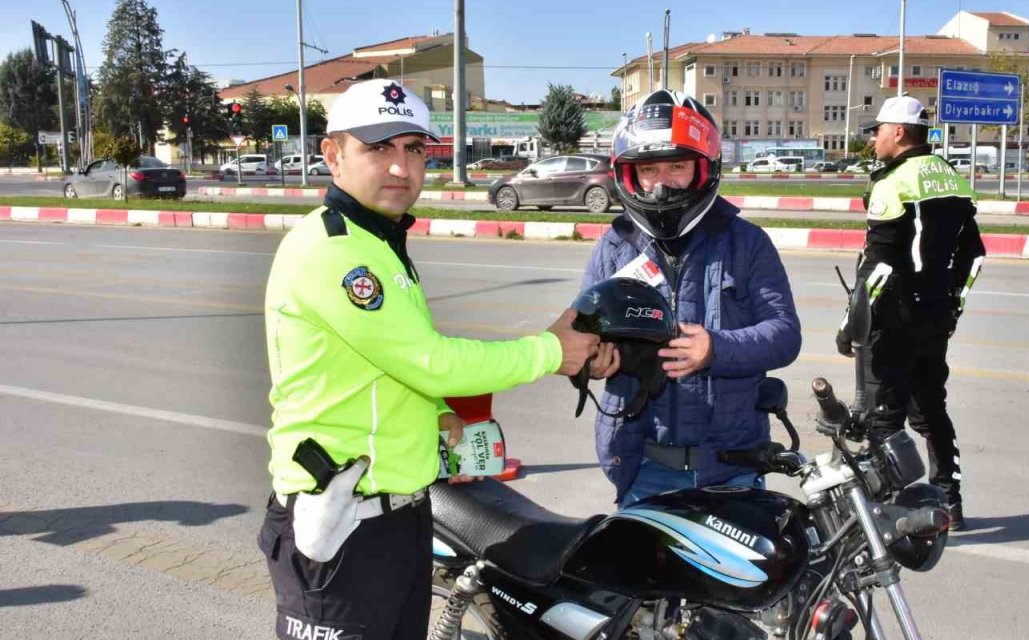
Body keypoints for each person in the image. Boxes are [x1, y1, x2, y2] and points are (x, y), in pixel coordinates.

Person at [257, 79, 599, 640]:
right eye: (379, 147)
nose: (400, 167)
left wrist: (437, 413)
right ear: (332, 154)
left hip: (397, 517)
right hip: (341, 524)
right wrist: (551, 352)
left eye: (413, 149)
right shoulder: (335, 251)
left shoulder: (378, 241)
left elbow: (382, 366)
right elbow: (429, 360)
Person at [580, 89, 802, 507]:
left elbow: (785, 333)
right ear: (629, 174)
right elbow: (582, 335)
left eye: (677, 166)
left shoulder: (747, 242)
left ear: (704, 168)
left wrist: (716, 348)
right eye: (648, 170)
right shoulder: (614, 247)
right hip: (643, 466)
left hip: (731, 468)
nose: (661, 185)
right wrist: (592, 361)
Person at [837, 95, 986, 531]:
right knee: (931, 411)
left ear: (898, 132)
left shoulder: (892, 183)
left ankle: (891, 511)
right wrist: (952, 305)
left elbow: (880, 266)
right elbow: (974, 256)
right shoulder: (952, 177)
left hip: (894, 322)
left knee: (883, 418)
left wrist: (851, 324)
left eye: (878, 130)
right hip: (936, 320)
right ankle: (950, 501)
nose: (874, 138)